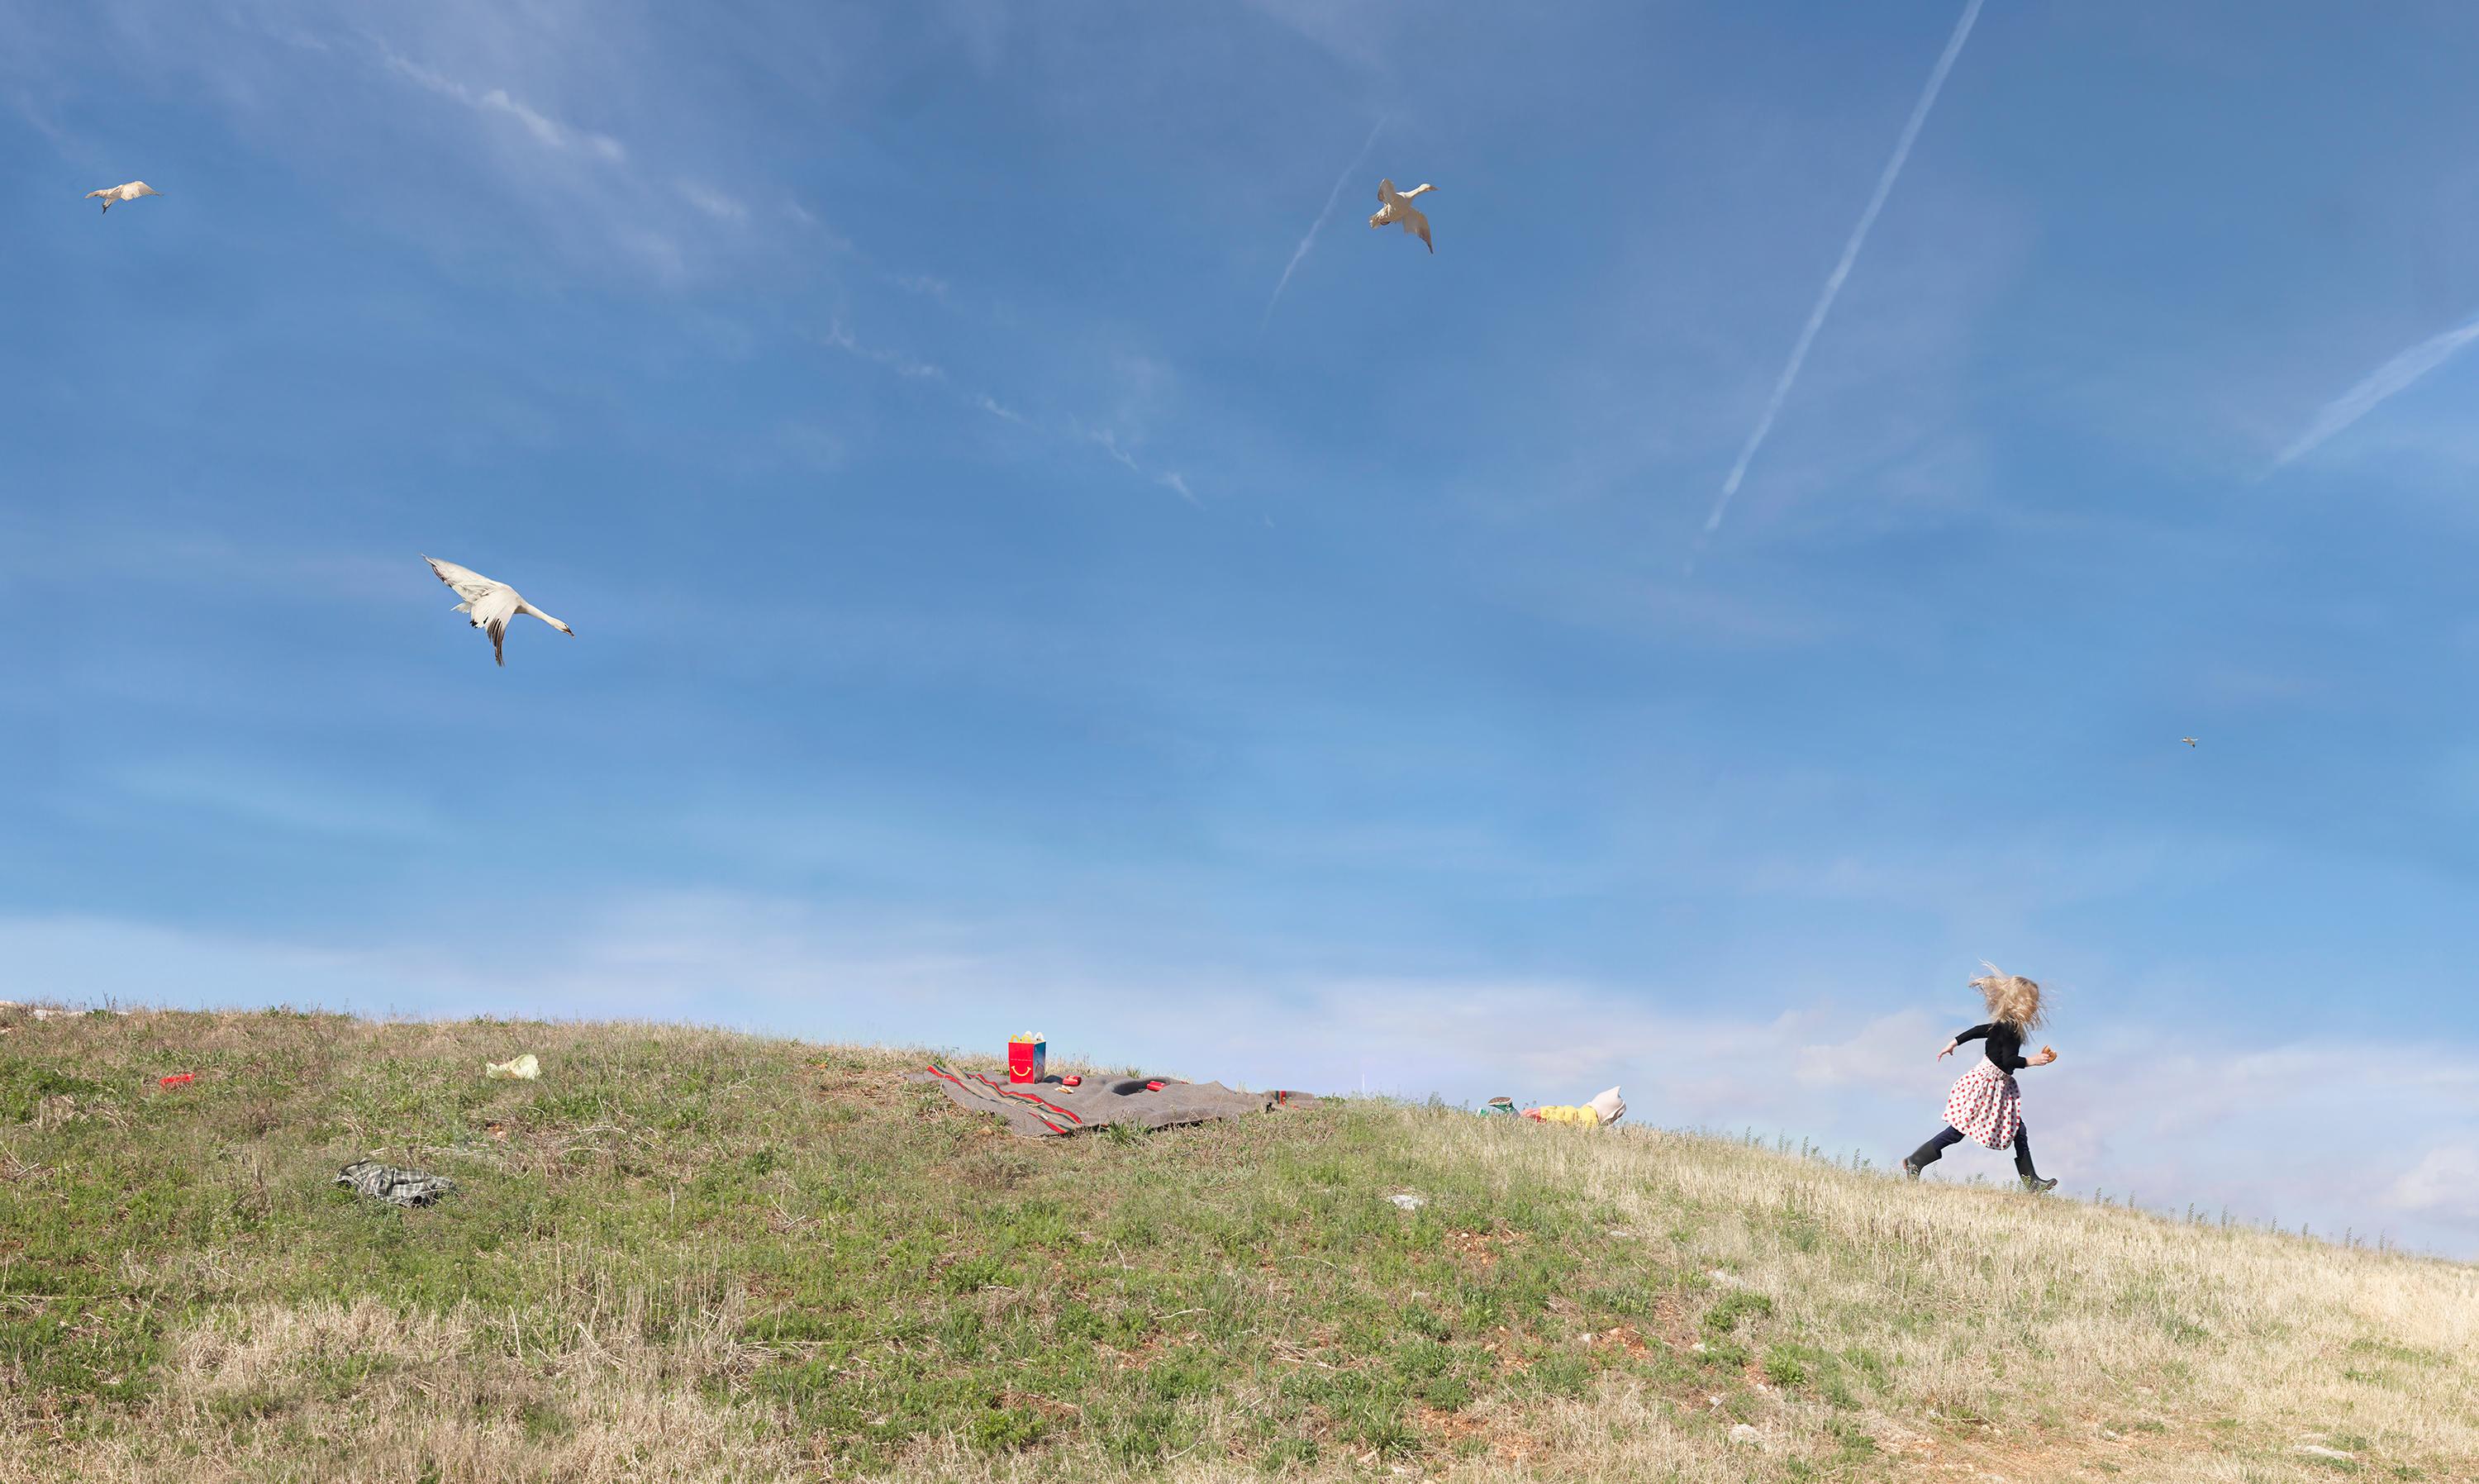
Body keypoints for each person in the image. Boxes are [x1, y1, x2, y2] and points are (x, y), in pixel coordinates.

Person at [1902, 963, 2060, 1192]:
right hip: (1986, 1085)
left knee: (2018, 1130)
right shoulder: (2009, 1030)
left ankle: (2031, 1182)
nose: (2035, 1008)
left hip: (1999, 1086)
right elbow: (2007, 1061)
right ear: (2019, 1003)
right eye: (2032, 1003)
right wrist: (2031, 1061)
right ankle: (1915, 1161)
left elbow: (1977, 1030)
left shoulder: (2006, 1026)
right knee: (1958, 1130)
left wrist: (1953, 1042)